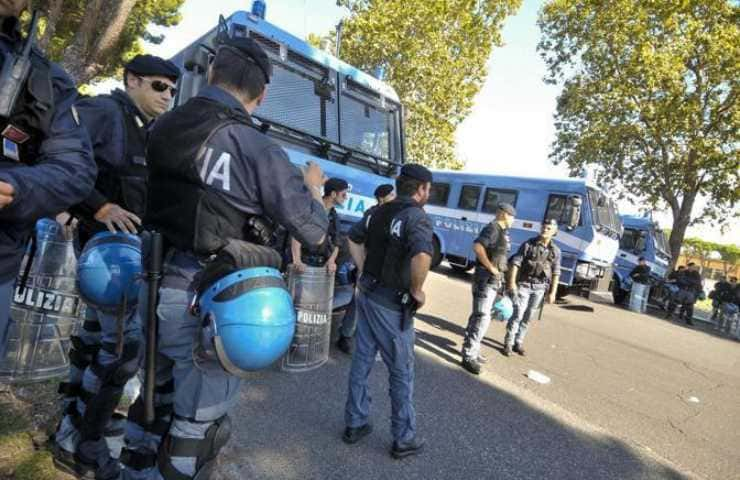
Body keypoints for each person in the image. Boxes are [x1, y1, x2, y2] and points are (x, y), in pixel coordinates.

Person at [117, 36, 329, 480]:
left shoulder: (163, 126)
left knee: (151, 408)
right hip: (205, 308)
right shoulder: (256, 148)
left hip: (150, 286)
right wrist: (312, 188)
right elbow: (313, 229)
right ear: (262, 93)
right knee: (195, 436)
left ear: (212, 74)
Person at [51, 55, 180, 479]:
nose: (168, 95)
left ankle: (76, 422)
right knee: (120, 353)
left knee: (94, 343)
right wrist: (92, 206)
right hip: (106, 257)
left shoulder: (144, 130)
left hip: (121, 256)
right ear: (132, 80)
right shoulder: (105, 112)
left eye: (173, 90)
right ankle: (82, 444)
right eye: (160, 86)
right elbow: (60, 157)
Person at [0, 0, 95, 360]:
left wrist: (17, 188)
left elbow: (75, 168)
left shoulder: (46, 77)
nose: (167, 95)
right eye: (160, 86)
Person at [342, 164, 433, 459]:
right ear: (421, 189)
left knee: (362, 361)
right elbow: (422, 255)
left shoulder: (377, 212)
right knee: (401, 372)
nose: (427, 194)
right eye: (428, 189)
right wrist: (417, 290)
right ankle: (403, 438)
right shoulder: (415, 216)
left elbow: (353, 239)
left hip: (367, 294)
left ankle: (355, 423)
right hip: (392, 305)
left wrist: (362, 269)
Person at [336, 183, 395, 355]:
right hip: (368, 264)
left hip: (385, 266)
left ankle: (364, 335)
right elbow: (357, 239)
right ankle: (345, 335)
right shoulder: (372, 215)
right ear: (381, 198)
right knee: (358, 299)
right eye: (390, 195)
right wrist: (360, 265)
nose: (394, 198)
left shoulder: (395, 215)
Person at [460, 203, 515, 375]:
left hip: (492, 281)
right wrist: (491, 268)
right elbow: (478, 247)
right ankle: (468, 356)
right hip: (485, 279)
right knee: (481, 317)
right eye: (512, 216)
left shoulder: (502, 232)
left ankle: (473, 350)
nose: (514, 220)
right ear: (504, 214)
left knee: (481, 316)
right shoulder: (492, 228)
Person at [504, 219, 561, 356]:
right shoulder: (528, 244)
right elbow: (516, 263)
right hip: (524, 285)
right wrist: (512, 283)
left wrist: (553, 293)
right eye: (543, 227)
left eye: (549, 228)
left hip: (540, 288)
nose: (545, 229)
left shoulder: (556, 251)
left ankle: (518, 342)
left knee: (528, 317)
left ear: (554, 232)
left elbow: (556, 273)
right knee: (518, 314)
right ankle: (508, 343)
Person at [291, 176, 348, 274]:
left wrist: (331, 261)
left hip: (320, 266)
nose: (346, 198)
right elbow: (296, 234)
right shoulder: (310, 208)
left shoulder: (334, 216)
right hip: (302, 264)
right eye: (343, 194)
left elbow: (336, 242)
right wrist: (297, 260)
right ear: (333, 194)